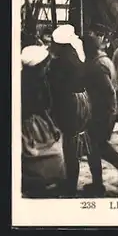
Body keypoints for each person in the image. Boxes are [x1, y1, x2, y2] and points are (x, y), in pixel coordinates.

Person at [82, 35, 118, 197]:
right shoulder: (104, 60)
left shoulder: (97, 65)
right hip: (104, 112)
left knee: (95, 147)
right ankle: (115, 175)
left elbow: (109, 91)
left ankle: (110, 178)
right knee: (97, 147)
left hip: (101, 113)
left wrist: (109, 112)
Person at [47, 24, 93, 197]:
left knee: (68, 146)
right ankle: (70, 183)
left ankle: (69, 186)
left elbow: (55, 87)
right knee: (74, 142)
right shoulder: (76, 56)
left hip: (69, 103)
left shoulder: (60, 62)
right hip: (81, 100)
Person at [21, 45, 66, 198]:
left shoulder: (42, 81)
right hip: (26, 126)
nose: (48, 68)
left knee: (55, 154)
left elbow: (42, 109)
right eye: (45, 65)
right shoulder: (22, 85)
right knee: (33, 157)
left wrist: (52, 126)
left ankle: (48, 185)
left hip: (39, 123)